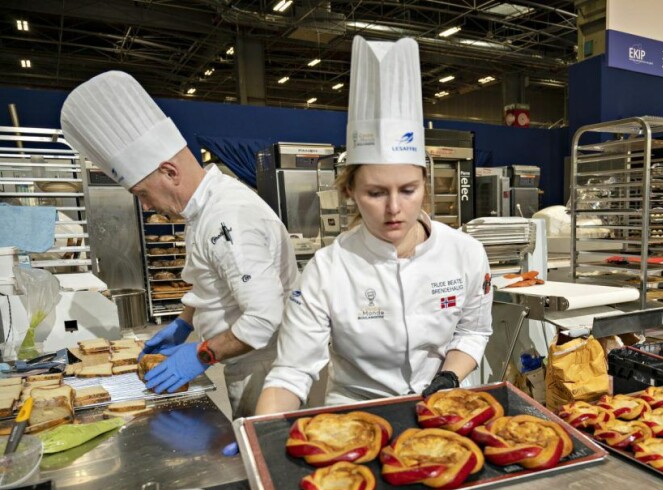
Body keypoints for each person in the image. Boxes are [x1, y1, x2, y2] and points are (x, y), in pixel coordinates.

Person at [255, 36, 493, 413]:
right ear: (349, 190)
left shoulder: (465, 252)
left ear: (425, 185)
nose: (395, 208)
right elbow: (292, 372)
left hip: (446, 407)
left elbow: (473, 330)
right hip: (359, 414)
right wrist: (261, 432)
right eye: (376, 192)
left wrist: (449, 377)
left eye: (409, 189)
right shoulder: (327, 269)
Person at [60, 72, 298, 419]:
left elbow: (264, 318)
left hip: (265, 367)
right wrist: (184, 323)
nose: (144, 206)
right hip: (243, 359)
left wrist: (202, 355)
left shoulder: (228, 216)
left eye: (142, 193)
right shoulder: (201, 210)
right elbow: (210, 279)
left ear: (170, 172)